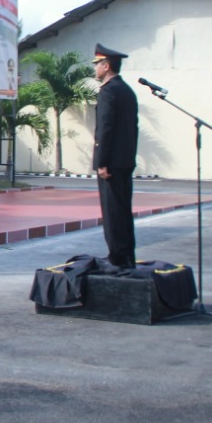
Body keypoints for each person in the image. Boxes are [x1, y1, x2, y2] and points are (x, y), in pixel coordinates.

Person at [91, 43, 138, 269]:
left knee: (112, 213)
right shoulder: (127, 91)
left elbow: (105, 129)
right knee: (124, 211)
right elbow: (132, 129)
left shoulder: (108, 92)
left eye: (97, 64)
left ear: (106, 65)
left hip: (111, 164)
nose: (95, 69)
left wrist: (102, 162)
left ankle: (117, 257)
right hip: (125, 161)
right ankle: (127, 255)